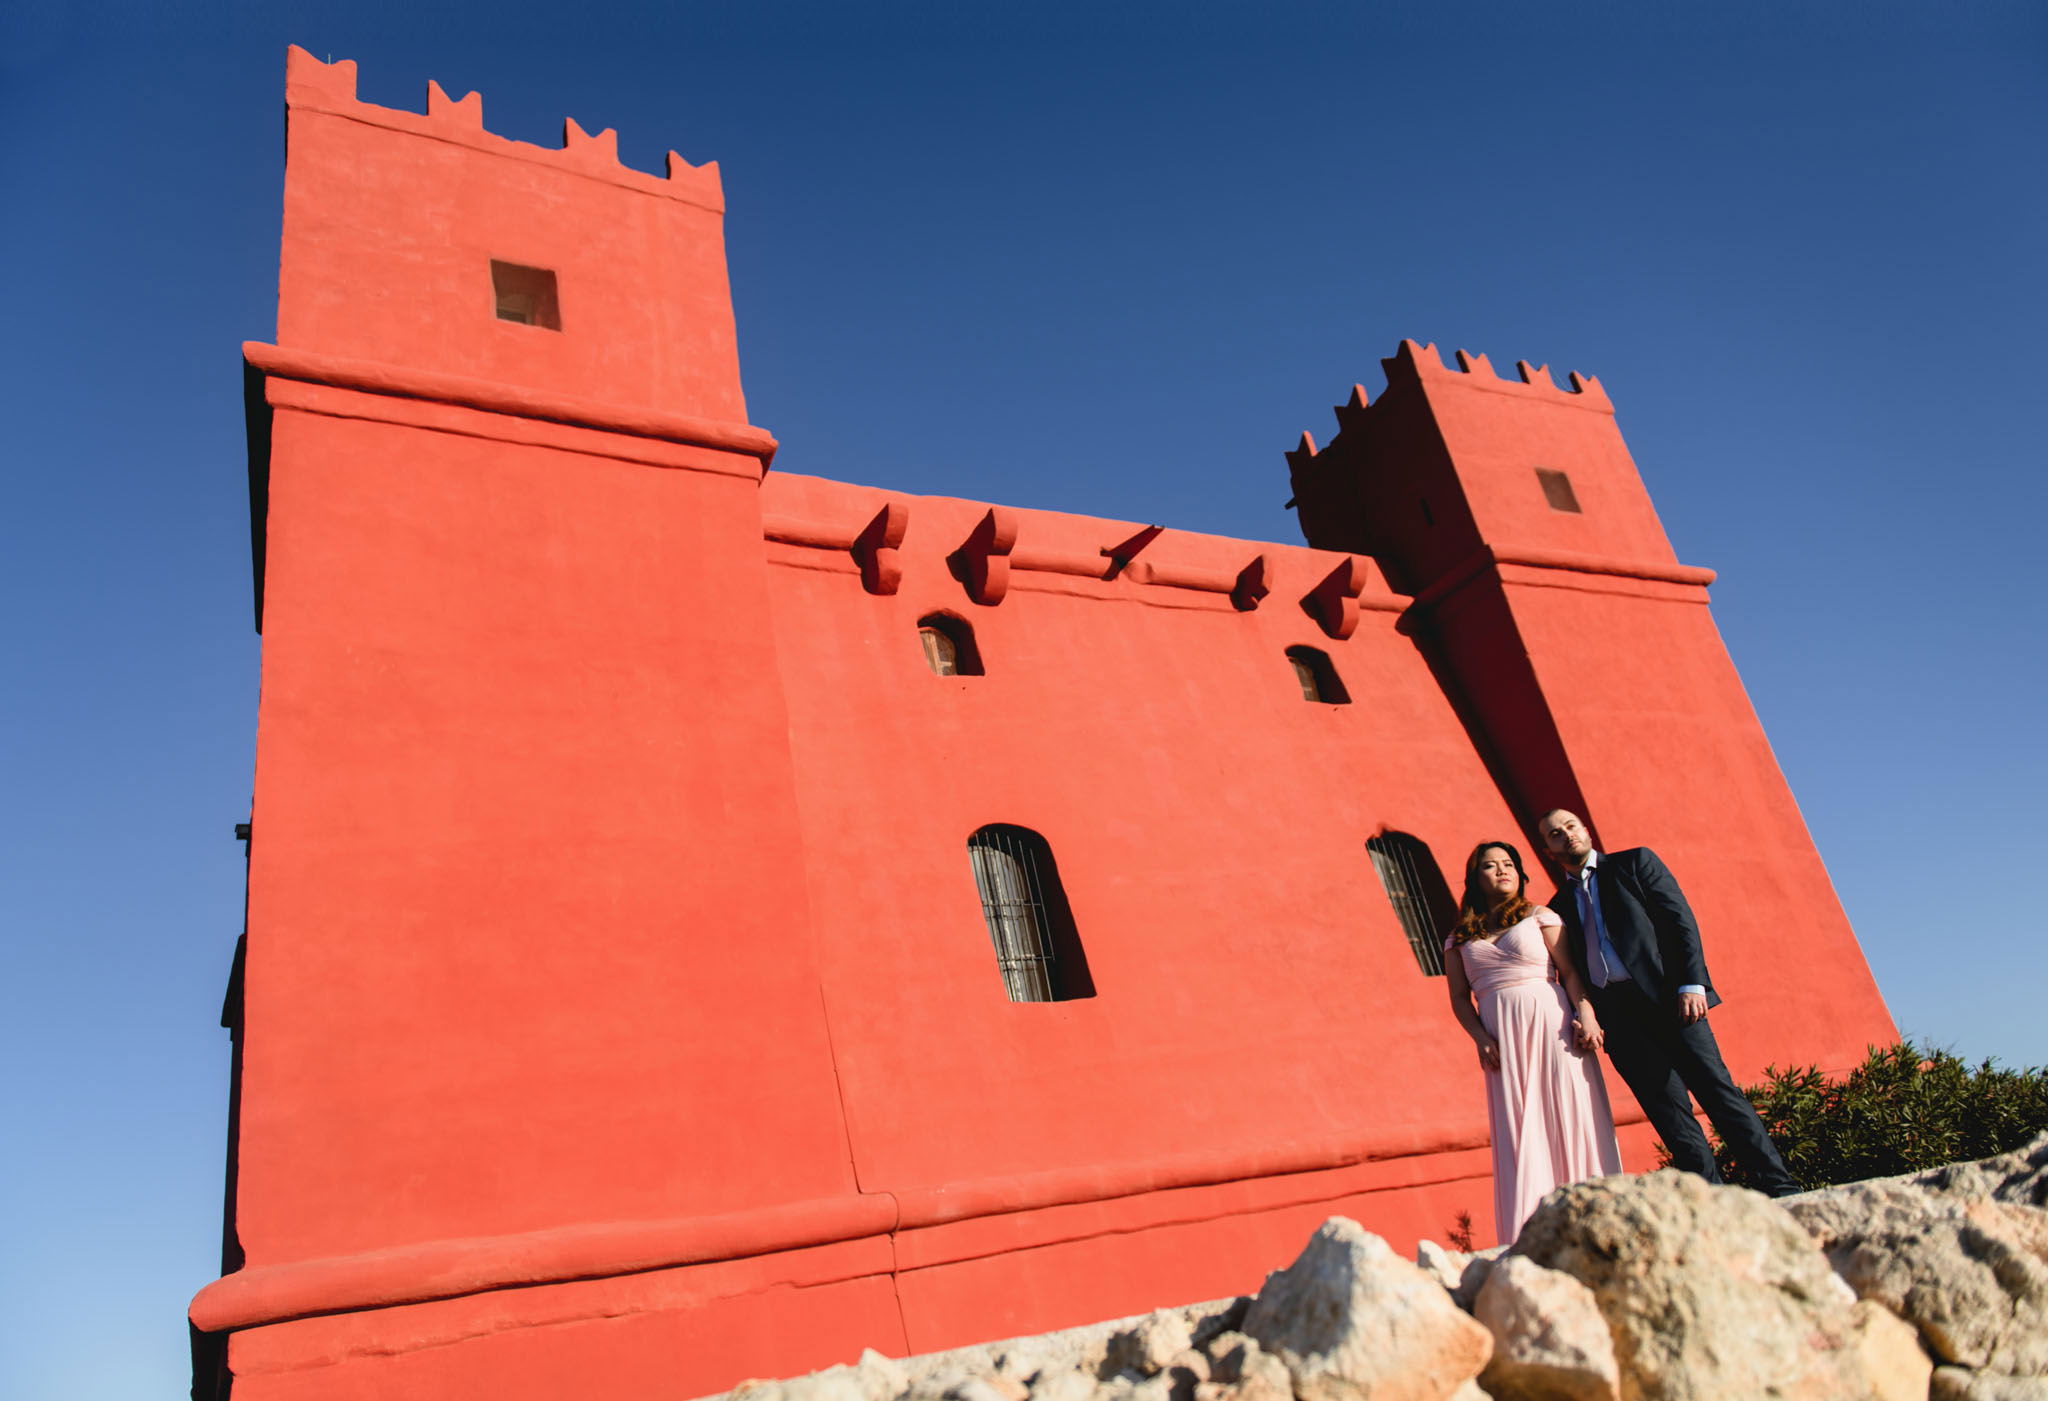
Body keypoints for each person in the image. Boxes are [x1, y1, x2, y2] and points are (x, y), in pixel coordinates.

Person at [1536, 808, 1799, 1196]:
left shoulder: (1634, 864)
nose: (1567, 835)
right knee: (1669, 1115)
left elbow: (1679, 922)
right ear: (1548, 849)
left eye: (1571, 826)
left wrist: (1692, 984)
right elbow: (1570, 969)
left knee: (1719, 1094)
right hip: (1618, 1017)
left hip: (1671, 1001)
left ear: (1585, 829)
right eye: (1556, 834)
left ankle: (1781, 1188)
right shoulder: (1556, 907)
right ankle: (1711, 1203)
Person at [1443, 840, 1622, 1243]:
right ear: (1475, 878)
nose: (1502, 871)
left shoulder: (1541, 917)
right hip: (1501, 1039)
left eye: (1509, 864)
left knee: (1568, 1112)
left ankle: (1592, 1213)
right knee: (1519, 1125)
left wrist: (1586, 1014)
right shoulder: (1457, 938)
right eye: (1490, 866)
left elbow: (1571, 972)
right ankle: (1532, 1229)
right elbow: (1458, 997)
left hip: (1553, 1025)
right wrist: (1478, 1037)